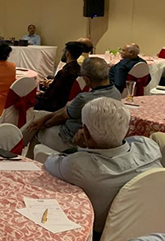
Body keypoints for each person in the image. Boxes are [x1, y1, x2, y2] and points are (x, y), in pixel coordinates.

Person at [44, 98, 162, 233]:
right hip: (154, 227)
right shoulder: (150, 147)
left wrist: (81, 148)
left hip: (104, 236)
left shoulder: (77, 166)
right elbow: (130, 142)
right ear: (127, 128)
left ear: (86, 132)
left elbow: (50, 162)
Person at [29, 57, 122, 152]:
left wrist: (44, 124)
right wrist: (45, 118)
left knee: (35, 130)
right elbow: (67, 109)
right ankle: (20, 143)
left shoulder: (84, 98)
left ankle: (26, 154)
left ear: (87, 79)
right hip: (95, 138)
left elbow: (61, 117)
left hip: (70, 140)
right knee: (39, 116)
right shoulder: (116, 93)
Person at [35, 41, 83, 112]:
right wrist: (51, 84)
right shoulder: (78, 69)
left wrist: (40, 94)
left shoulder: (64, 72)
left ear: (68, 53)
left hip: (55, 105)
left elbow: (51, 95)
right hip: (65, 101)